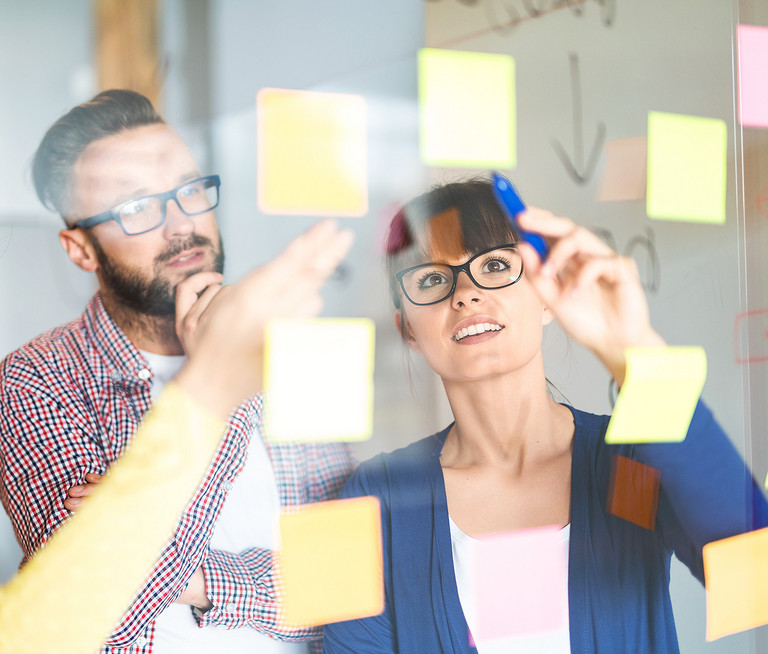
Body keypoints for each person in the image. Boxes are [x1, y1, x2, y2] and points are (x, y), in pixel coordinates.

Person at [323, 180, 768, 653]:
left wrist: (636, 356)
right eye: (432, 279)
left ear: (547, 295)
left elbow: (757, 575)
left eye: (495, 265)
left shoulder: (629, 470)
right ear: (407, 328)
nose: (467, 294)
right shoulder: (374, 500)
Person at [0, 89, 356, 653]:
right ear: (80, 249)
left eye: (190, 190)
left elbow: (346, 590)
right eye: (135, 207)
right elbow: (92, 612)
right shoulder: (34, 380)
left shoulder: (291, 356)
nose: (181, 226)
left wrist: (182, 576)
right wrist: (223, 381)